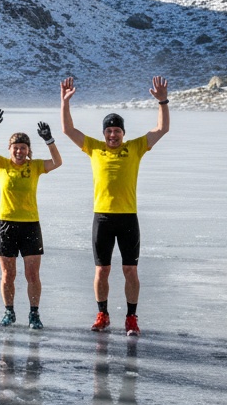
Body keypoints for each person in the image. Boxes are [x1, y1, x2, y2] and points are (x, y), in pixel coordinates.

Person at [60, 75, 169, 335]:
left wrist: (162, 102)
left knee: (130, 270)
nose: (112, 135)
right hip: (103, 218)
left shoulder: (135, 148)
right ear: (104, 133)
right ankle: (103, 314)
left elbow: (161, 129)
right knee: (102, 270)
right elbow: (68, 130)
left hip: (128, 217)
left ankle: (131, 318)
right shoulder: (94, 148)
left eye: (117, 130)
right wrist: (65, 102)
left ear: (123, 133)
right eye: (108, 131)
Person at [0, 110, 63, 329]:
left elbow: (57, 162)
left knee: (32, 274)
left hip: (30, 225)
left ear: (28, 151)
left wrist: (49, 140)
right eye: (16, 147)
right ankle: (9, 311)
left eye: (23, 147)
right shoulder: (1, 164)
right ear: (10, 149)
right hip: (6, 224)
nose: (19, 151)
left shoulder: (35, 166)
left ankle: (34, 314)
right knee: (8, 274)